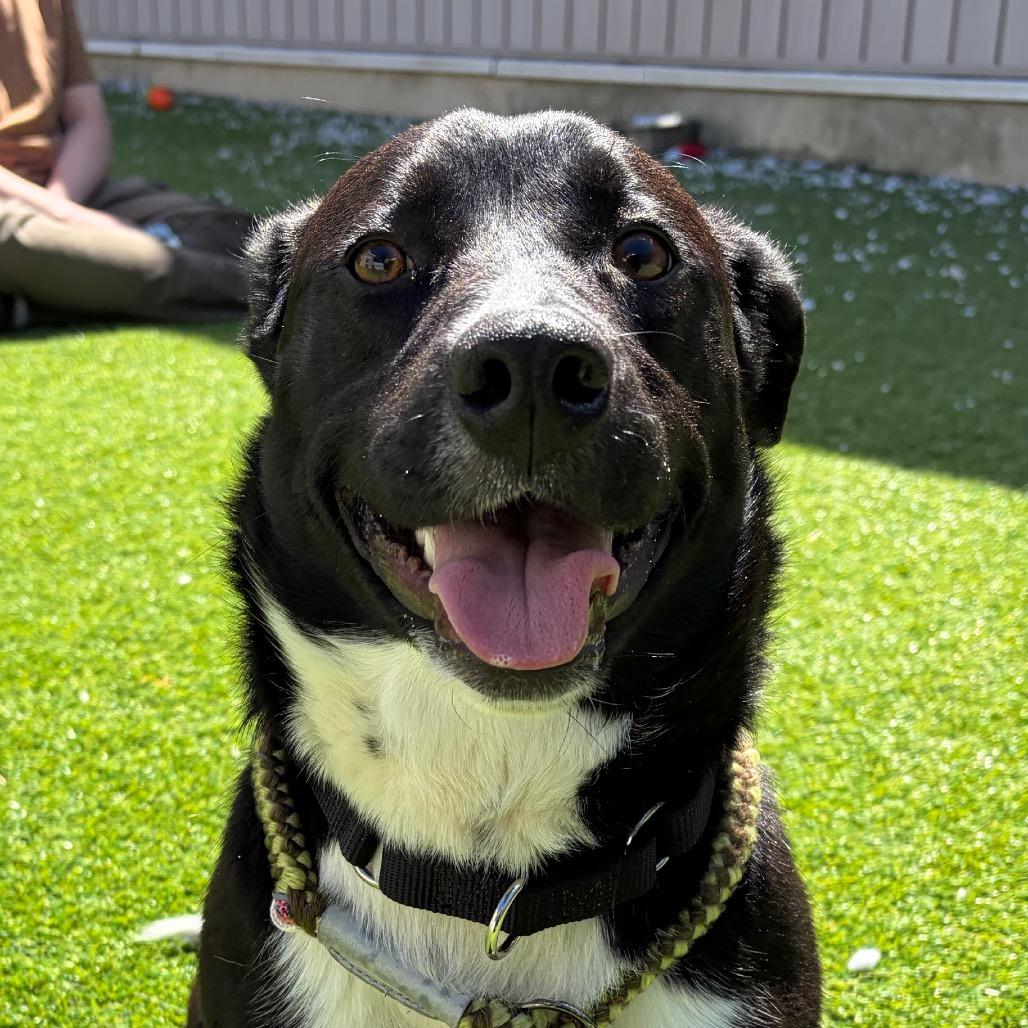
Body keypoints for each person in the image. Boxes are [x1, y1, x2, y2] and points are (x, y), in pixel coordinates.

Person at [0, 0, 253, 330]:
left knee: (228, 229)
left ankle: (35, 301)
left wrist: (63, 207)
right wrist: (69, 219)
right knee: (148, 261)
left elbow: (87, 118)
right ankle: (276, 287)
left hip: (64, 190)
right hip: (11, 212)